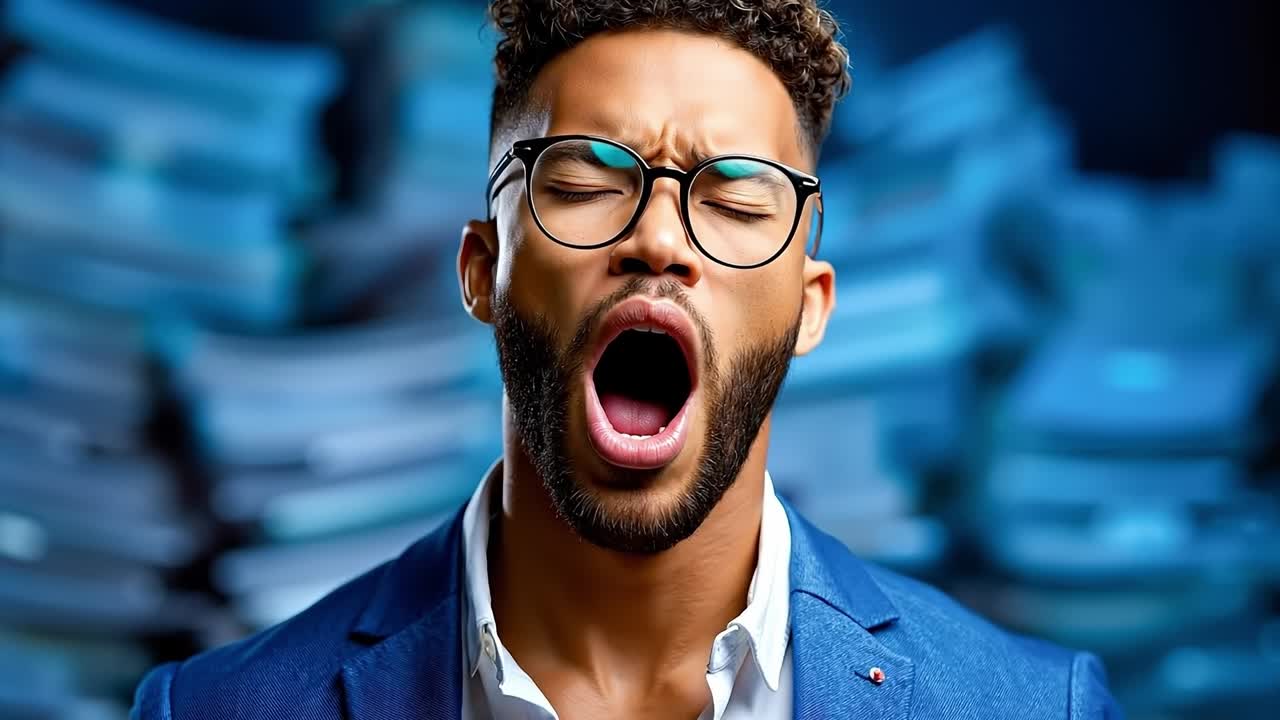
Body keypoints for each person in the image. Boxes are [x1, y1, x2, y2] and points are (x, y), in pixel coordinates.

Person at [131, 1, 1124, 718]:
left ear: (808, 306)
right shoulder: (220, 710)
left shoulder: (1033, 708)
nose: (659, 238)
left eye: (734, 201)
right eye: (586, 182)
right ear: (483, 270)